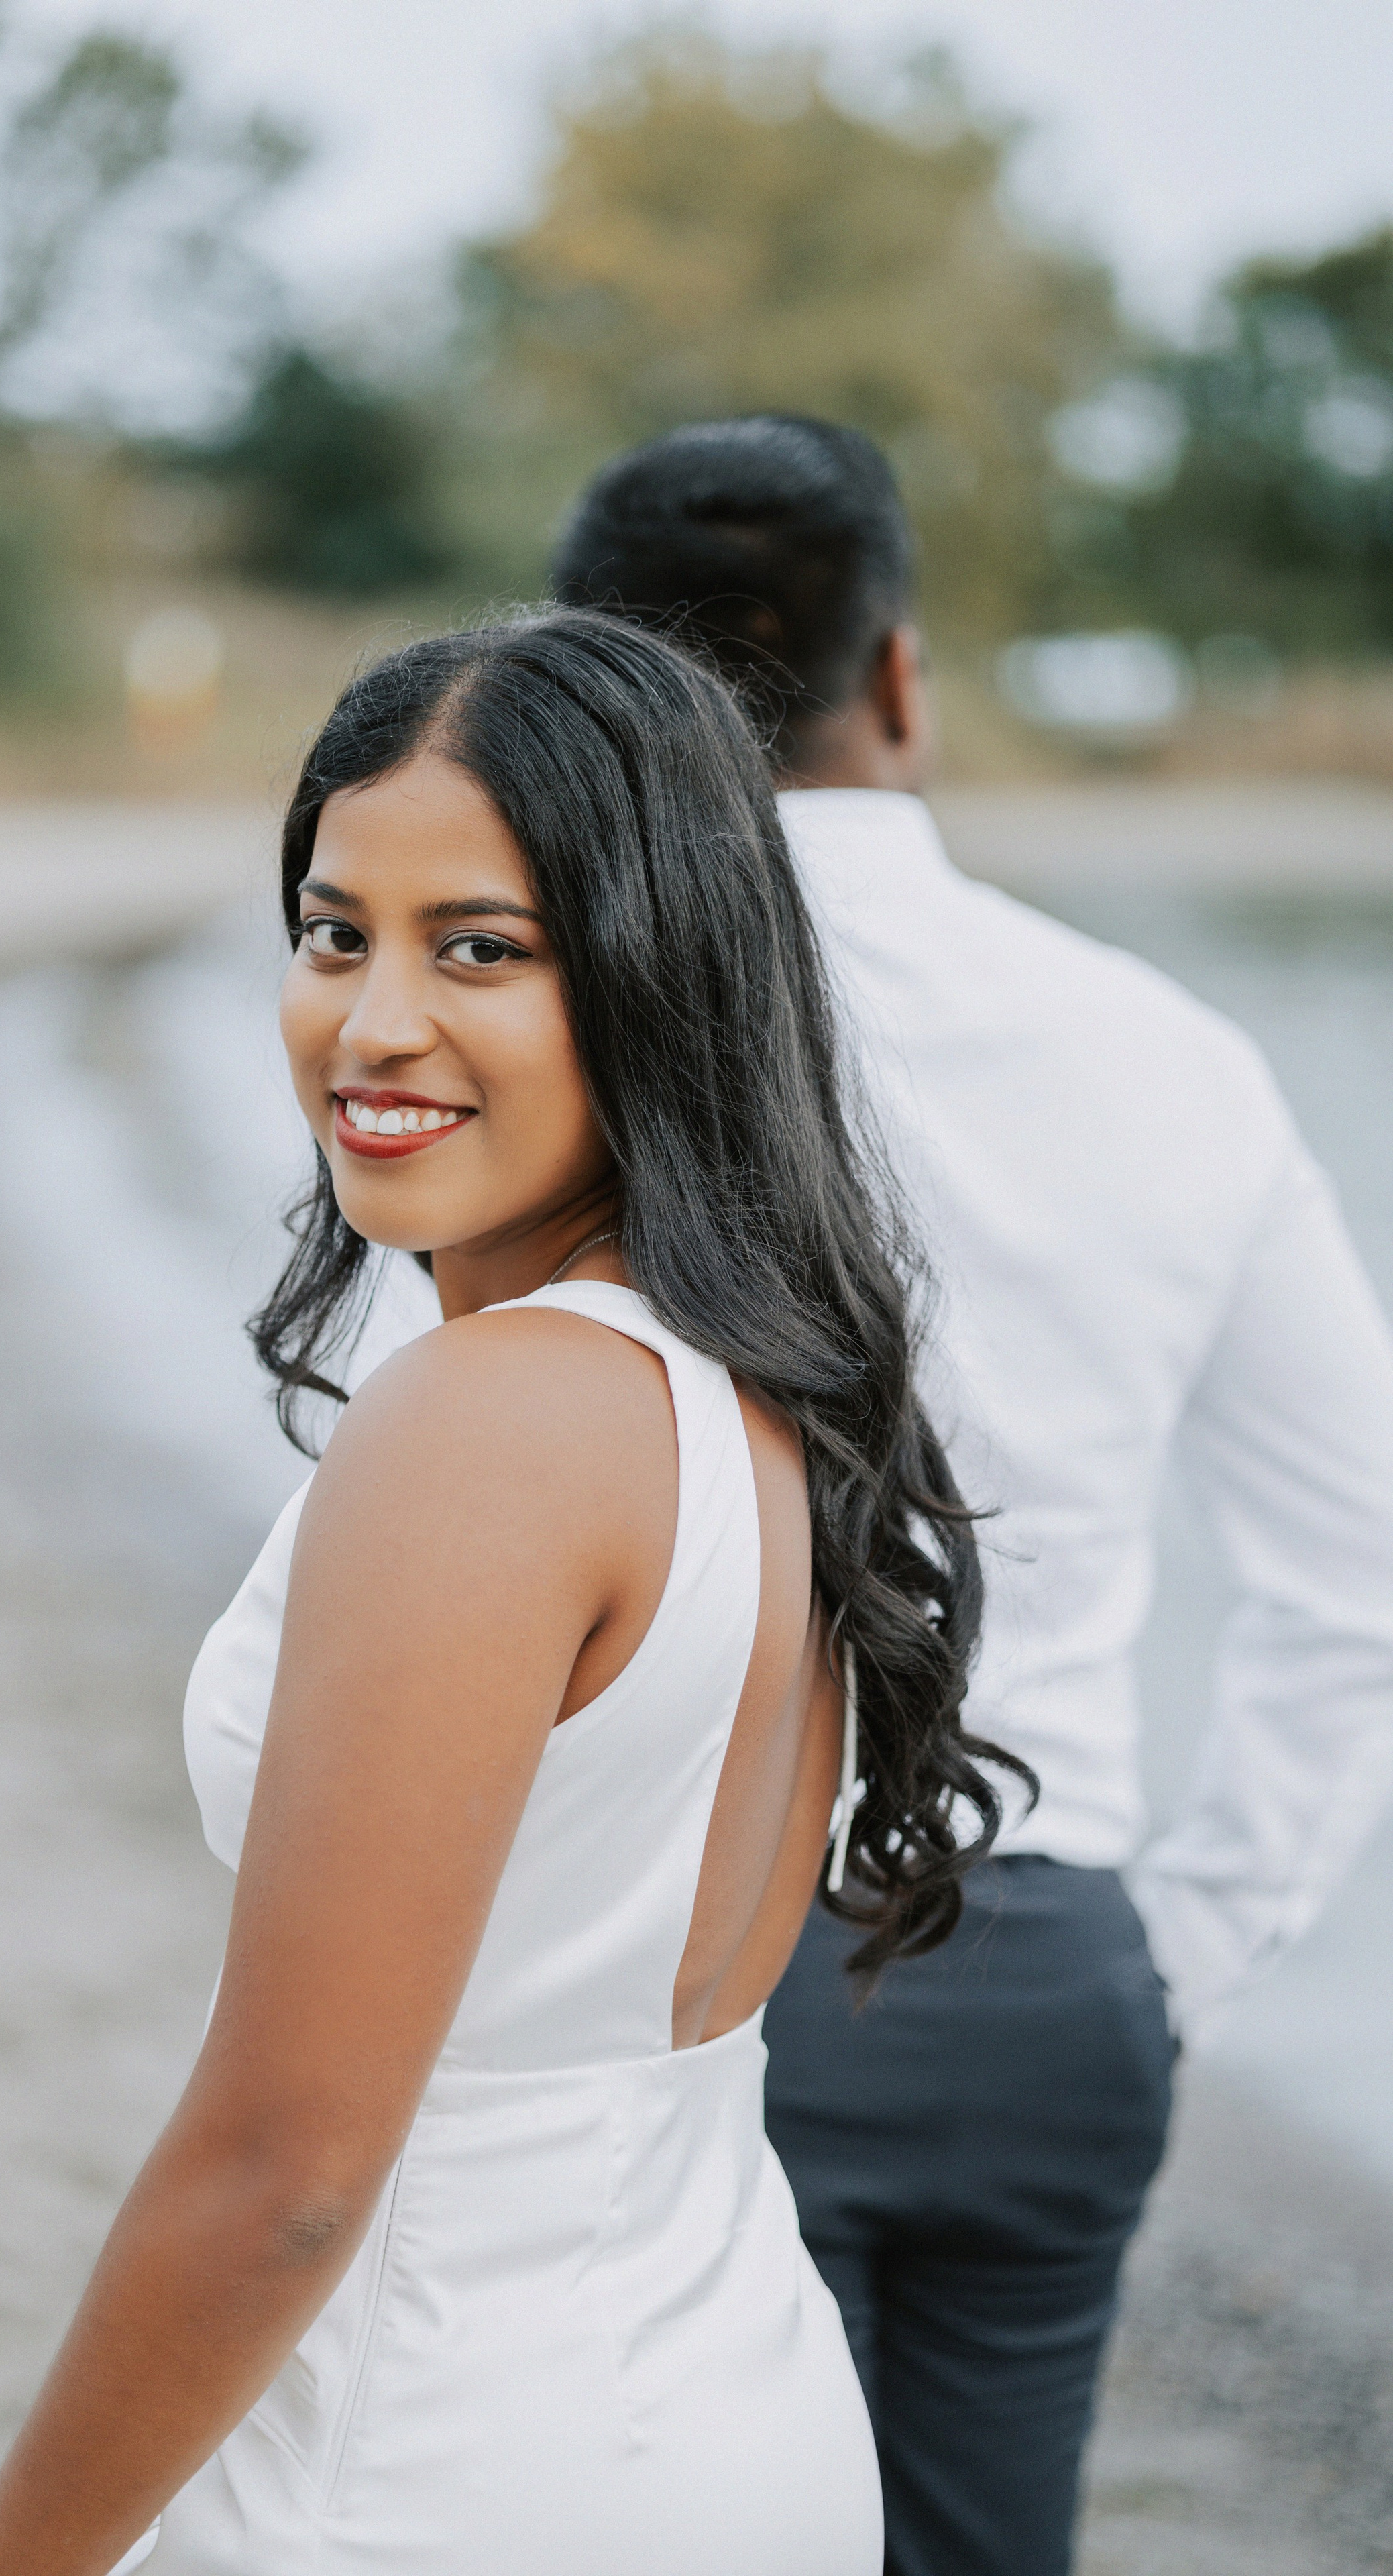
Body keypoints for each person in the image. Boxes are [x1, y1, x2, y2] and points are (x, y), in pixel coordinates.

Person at [0, 610, 1026, 2576]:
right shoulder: (757, 1385)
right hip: (737, 2413)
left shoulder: (491, 1427)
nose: (368, 1024)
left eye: (483, 950)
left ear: (657, 977)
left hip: (440, 2470)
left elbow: (287, 2170)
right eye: (333, 930)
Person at [553, 413, 1393, 2576]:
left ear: (585, 684)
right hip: (1050, 1963)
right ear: (902, 677)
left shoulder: (572, 1048)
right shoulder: (1172, 1051)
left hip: (675, 1968)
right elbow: (1353, 1572)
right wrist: (1178, 1945)